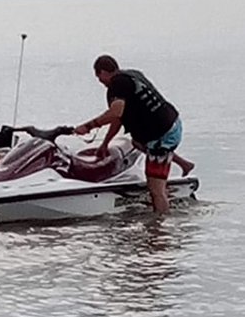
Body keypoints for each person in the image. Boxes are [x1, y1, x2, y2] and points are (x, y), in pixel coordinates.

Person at [73, 54, 195, 213]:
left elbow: (115, 112)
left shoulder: (116, 85)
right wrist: (105, 143)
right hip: (173, 124)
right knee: (136, 142)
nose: (100, 82)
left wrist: (88, 126)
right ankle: (184, 164)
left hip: (161, 136)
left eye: (99, 77)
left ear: (102, 72)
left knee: (156, 190)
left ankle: (159, 231)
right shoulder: (131, 75)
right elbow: (119, 118)